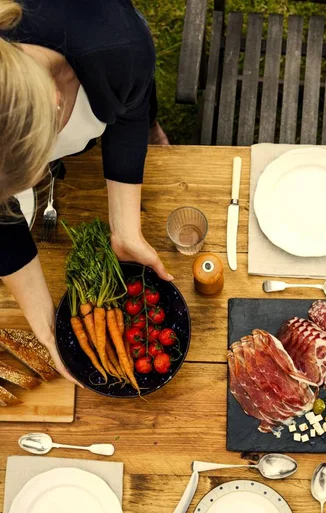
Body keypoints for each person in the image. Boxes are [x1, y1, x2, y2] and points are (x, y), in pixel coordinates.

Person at [0, 0, 172, 384]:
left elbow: (129, 106)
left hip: (110, 49)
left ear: (55, 100)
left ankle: (156, 130)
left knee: (134, 103)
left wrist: (126, 225)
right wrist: (45, 324)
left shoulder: (119, 46)